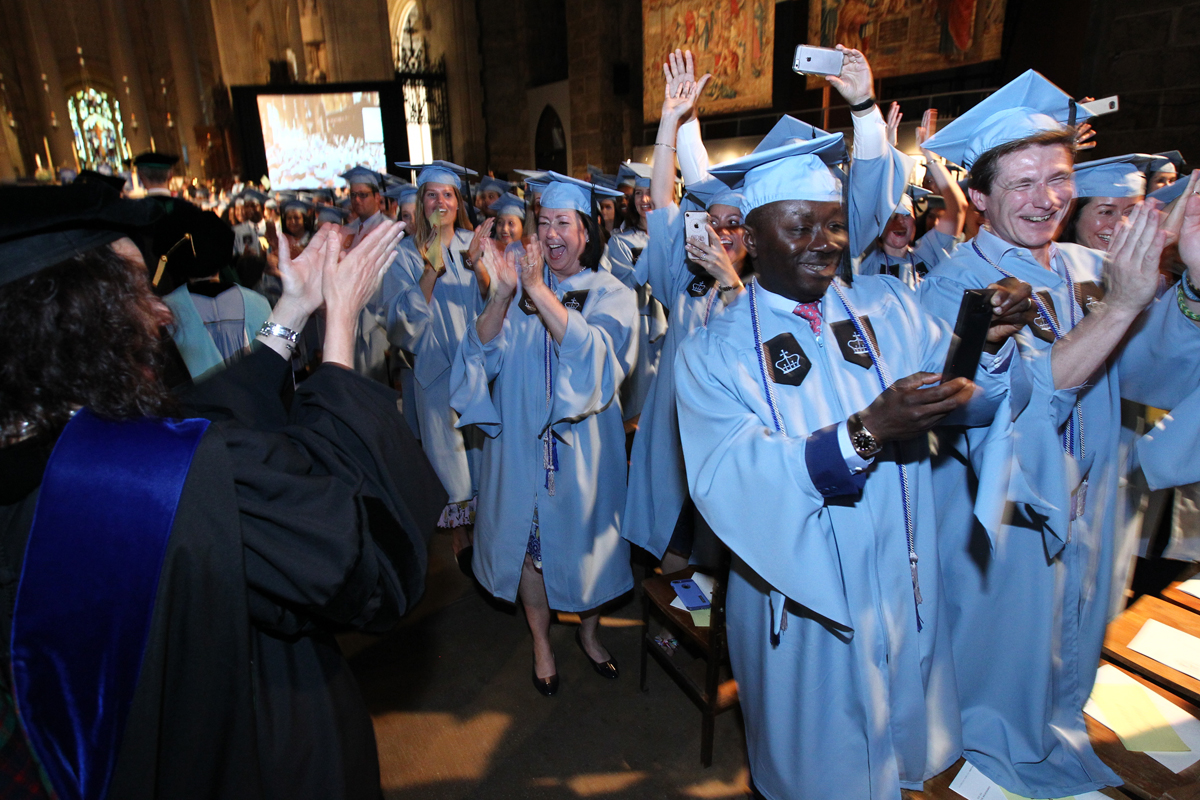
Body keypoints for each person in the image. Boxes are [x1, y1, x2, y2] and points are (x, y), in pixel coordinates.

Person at [0, 181, 445, 799]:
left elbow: (198, 418)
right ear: (74, 320)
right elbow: (363, 556)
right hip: (257, 754)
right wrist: (339, 329)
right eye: (134, 291)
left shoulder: (43, 453)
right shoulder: (158, 484)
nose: (160, 313)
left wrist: (291, 313)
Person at [673, 128, 1025, 799]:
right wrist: (864, 433)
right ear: (750, 233)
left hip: (901, 578)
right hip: (803, 603)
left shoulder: (887, 308)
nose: (824, 242)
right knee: (819, 766)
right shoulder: (712, 353)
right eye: (801, 224)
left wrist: (990, 345)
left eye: (835, 224)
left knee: (897, 751)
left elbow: (962, 405)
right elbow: (732, 478)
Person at [918, 70, 1200, 797]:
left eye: (1059, 177)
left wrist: (1191, 292)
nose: (1047, 198)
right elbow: (997, 406)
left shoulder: (1081, 266)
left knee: (1069, 648)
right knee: (999, 670)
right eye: (1021, 184)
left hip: (1088, 504)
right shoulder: (954, 287)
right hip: (1005, 518)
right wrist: (1119, 309)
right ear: (976, 196)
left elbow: (1145, 372)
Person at [450, 172, 637, 697]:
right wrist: (502, 296)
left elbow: (599, 360)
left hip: (583, 461)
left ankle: (591, 633)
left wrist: (535, 290)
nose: (552, 233)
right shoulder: (518, 288)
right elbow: (479, 356)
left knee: (586, 553)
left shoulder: (611, 294)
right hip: (521, 453)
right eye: (545, 222)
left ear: (585, 232)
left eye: (564, 223)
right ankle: (541, 642)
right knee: (531, 552)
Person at [622, 53, 749, 576]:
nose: (722, 232)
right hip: (676, 446)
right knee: (673, 558)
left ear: (753, 235)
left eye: (735, 223)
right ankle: (674, 637)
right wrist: (669, 125)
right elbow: (660, 204)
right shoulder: (686, 283)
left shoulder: (763, 295)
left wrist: (732, 283)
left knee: (725, 567)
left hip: (731, 452)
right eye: (714, 221)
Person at [385, 160, 484, 574]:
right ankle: (460, 536)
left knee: (480, 455)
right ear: (421, 202)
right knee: (449, 460)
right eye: (431, 194)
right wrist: (430, 268)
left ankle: (486, 528)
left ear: (458, 203)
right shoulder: (404, 256)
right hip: (432, 375)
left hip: (476, 368)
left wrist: (479, 265)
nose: (440, 202)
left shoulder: (473, 245)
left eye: (447, 194)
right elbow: (400, 326)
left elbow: (498, 304)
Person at [159, 207, 273, 383]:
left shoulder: (166, 312)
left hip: (196, 407)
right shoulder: (259, 303)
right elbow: (279, 357)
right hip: (253, 404)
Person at [856, 111, 968, 288]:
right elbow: (865, 203)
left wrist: (930, 157)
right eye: (893, 215)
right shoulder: (867, 259)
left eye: (907, 215)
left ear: (915, 222)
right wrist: (886, 154)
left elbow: (958, 207)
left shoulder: (928, 252)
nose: (900, 221)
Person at [606, 160, 667, 424]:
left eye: (651, 192)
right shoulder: (621, 242)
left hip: (672, 324)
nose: (644, 199)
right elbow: (627, 284)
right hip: (640, 328)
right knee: (641, 403)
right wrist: (655, 243)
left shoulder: (674, 235)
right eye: (639, 193)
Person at [1061, 153, 1153, 251]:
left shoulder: (1148, 264)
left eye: (1131, 212)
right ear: (1073, 216)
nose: (1121, 224)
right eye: (1107, 212)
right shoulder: (1052, 264)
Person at [339, 166, 388, 251]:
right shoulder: (347, 230)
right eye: (353, 195)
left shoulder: (386, 228)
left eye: (362, 195)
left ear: (377, 197)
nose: (356, 200)